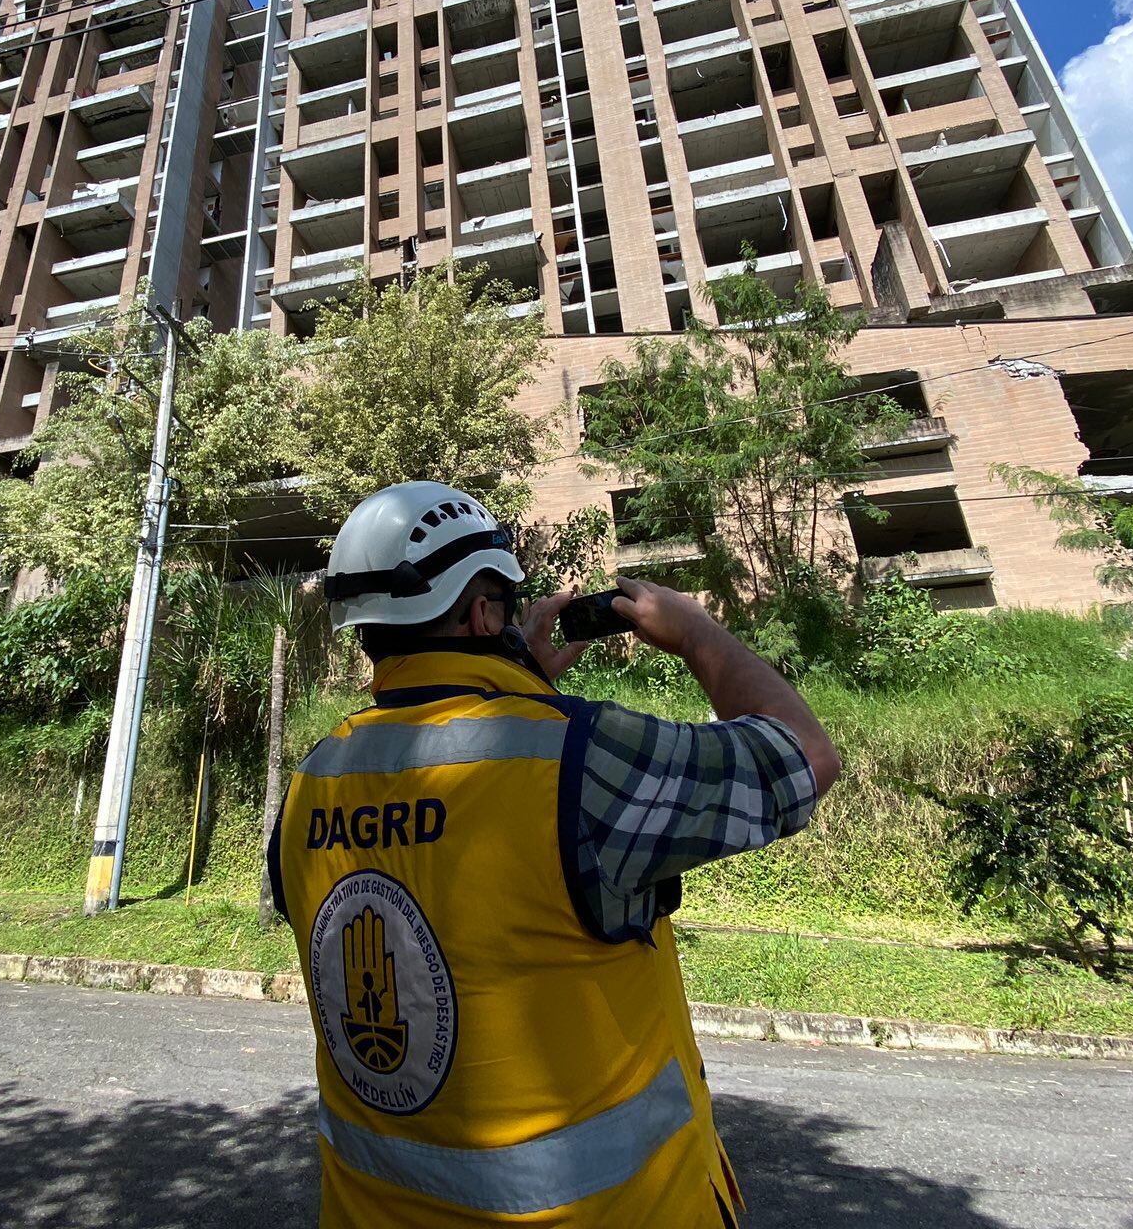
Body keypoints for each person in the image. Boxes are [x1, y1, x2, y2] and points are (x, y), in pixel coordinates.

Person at [268, 481, 840, 1227]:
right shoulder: (576, 757)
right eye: (502, 605)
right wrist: (699, 633)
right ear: (481, 612)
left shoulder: (312, 781)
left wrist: (517, 685)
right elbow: (804, 757)